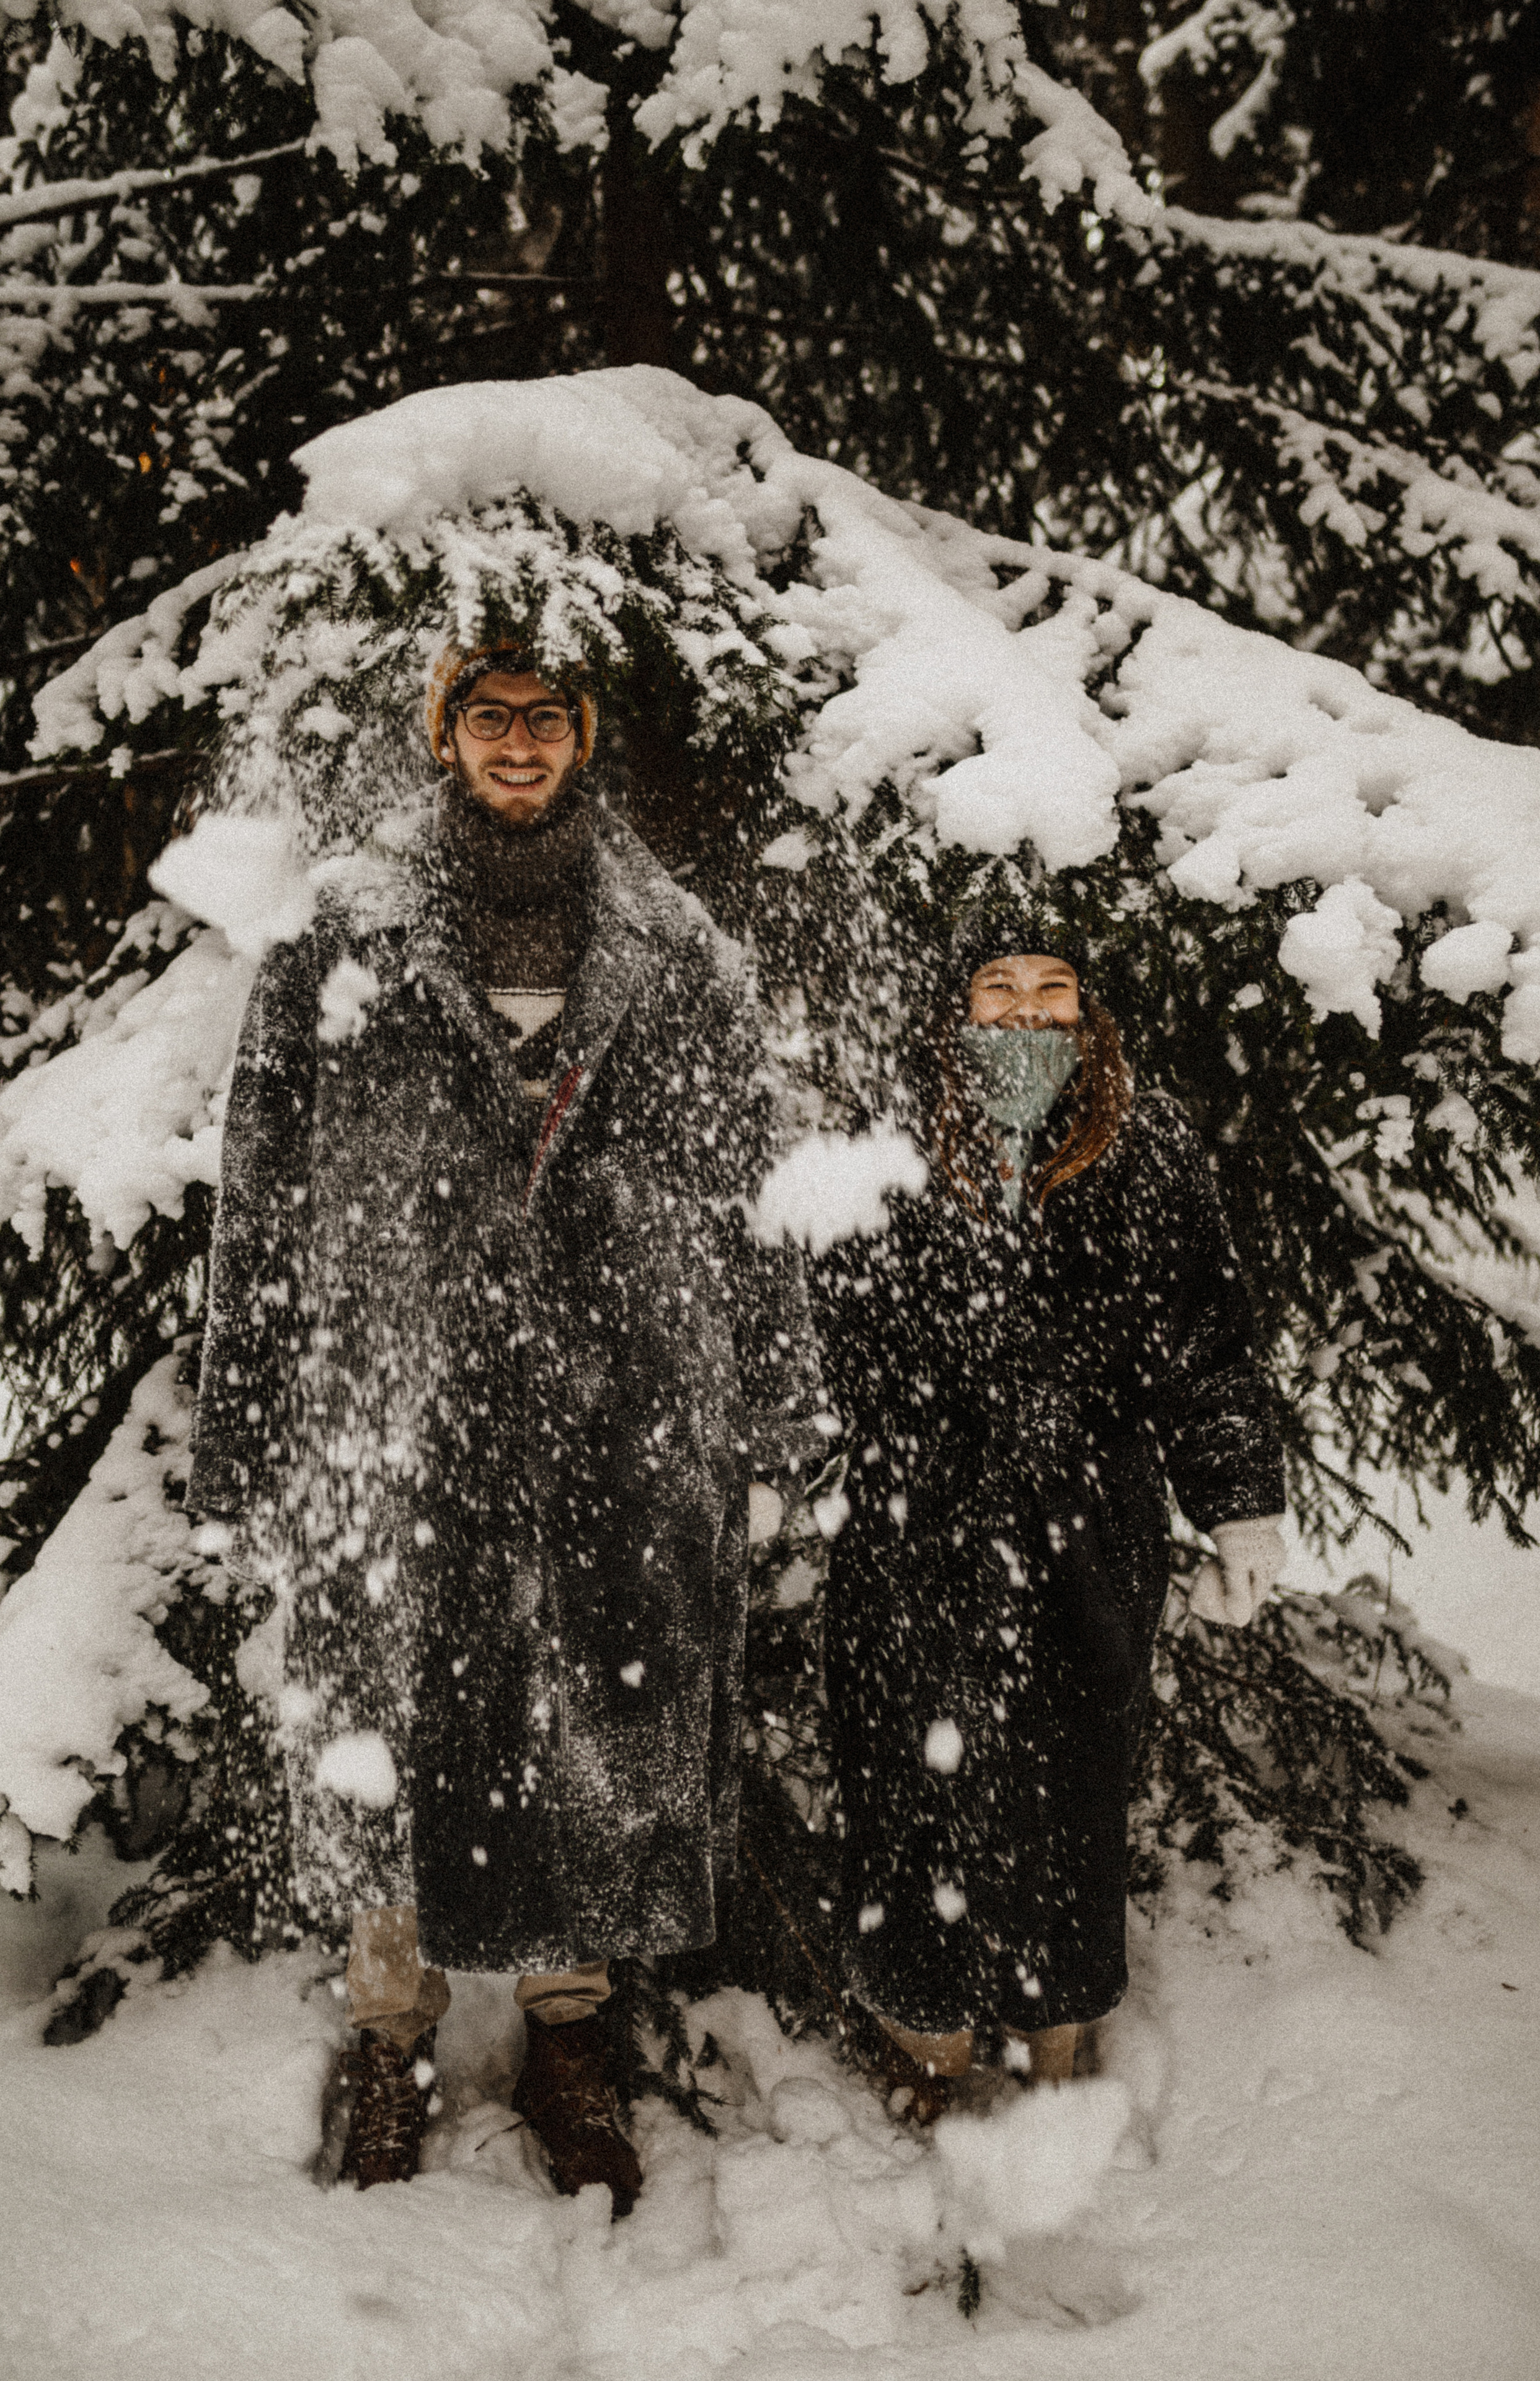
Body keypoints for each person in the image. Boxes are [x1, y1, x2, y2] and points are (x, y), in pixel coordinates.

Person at [187, 645, 823, 2208]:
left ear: (581, 741)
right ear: (446, 738)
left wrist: (783, 1395)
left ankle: (568, 2036)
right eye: (490, 717)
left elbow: (761, 1199)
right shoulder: (342, 933)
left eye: (545, 718)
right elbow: (264, 1185)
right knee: (385, 1720)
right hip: (396, 1398)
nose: (518, 742)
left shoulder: (678, 951)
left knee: (588, 1711)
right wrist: (250, 1420)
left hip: (616, 1398)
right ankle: (392, 2033)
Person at [812, 900, 1286, 2112]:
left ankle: (1049, 2059)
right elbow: (806, 1340)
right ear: (954, 1001)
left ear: (1088, 1005)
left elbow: (1206, 1343)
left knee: (1064, 1807)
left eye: (1052, 987)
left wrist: (1234, 1502)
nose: (1025, 1011)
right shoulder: (880, 1145)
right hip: (912, 1532)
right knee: (908, 1799)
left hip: (1087, 1539)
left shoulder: (1149, 1141)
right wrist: (788, 1468)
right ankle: (928, 2056)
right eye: (999, 985)